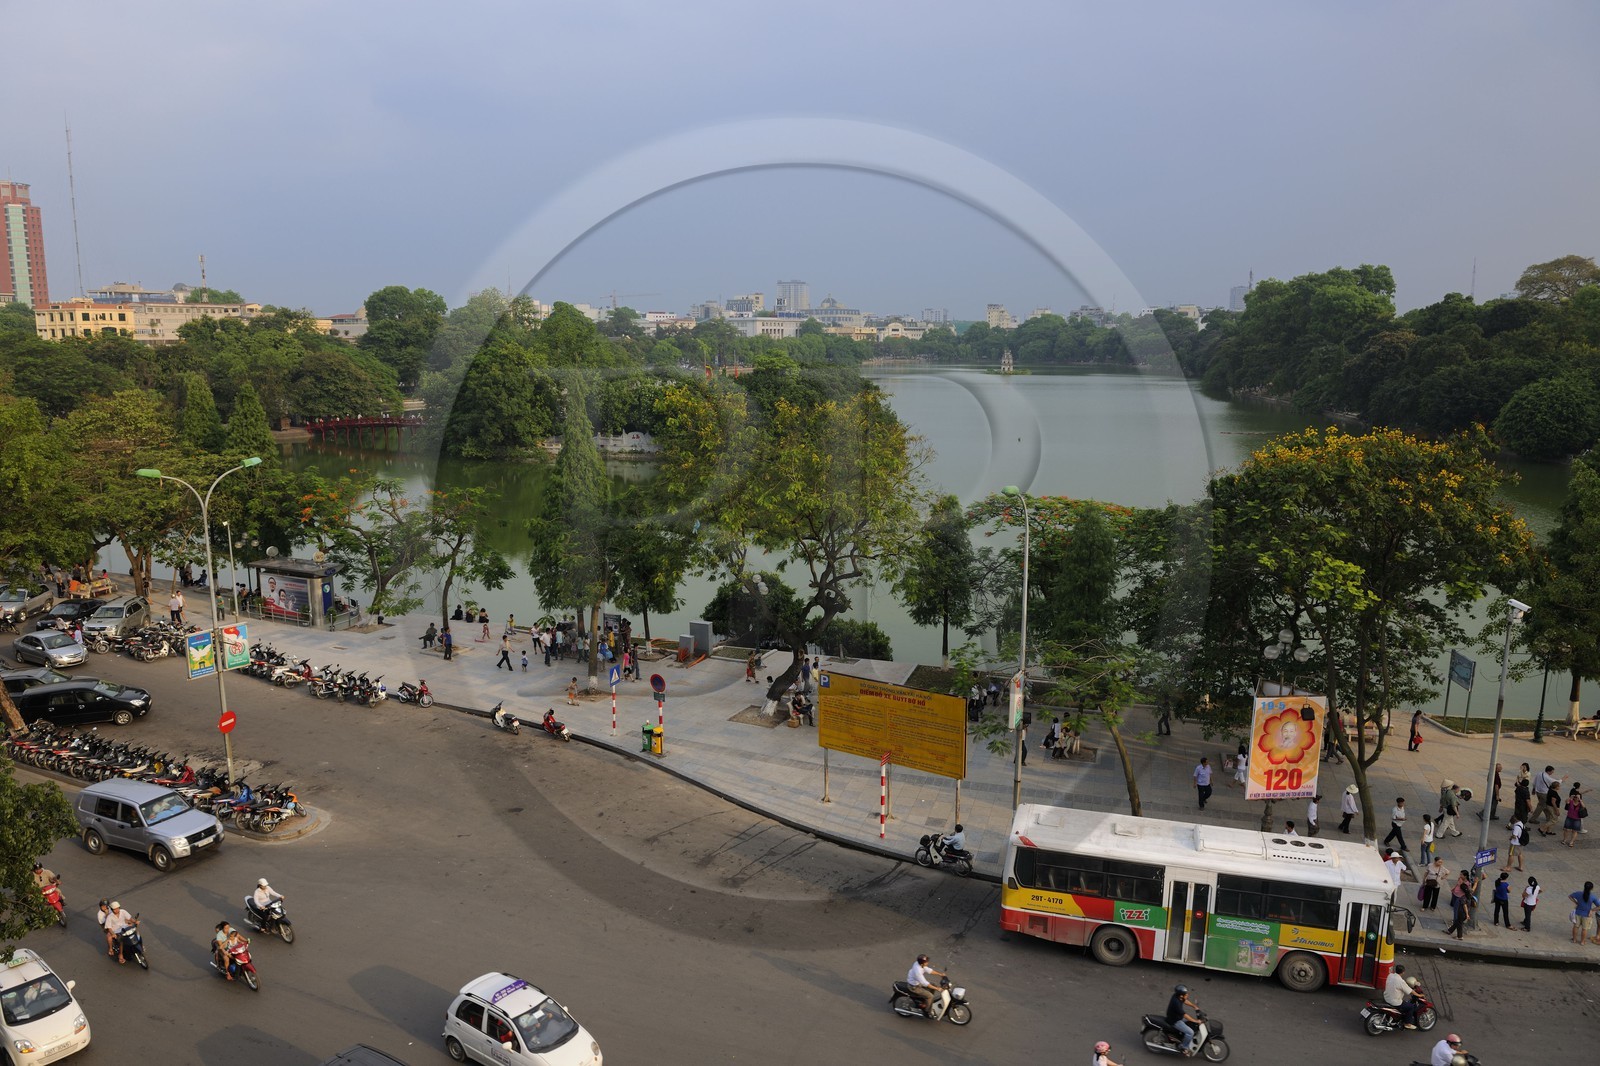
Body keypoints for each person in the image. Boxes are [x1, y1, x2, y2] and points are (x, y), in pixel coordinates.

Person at [1165, 984, 1201, 1056]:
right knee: (1190, 1032)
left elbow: (1185, 1001)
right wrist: (1196, 1021)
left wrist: (1194, 1006)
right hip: (1175, 1021)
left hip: (1177, 1017)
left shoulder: (1178, 996)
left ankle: (1181, 1037)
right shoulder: (1176, 1003)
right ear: (1181, 995)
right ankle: (1183, 1047)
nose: (1187, 995)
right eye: (1186, 994)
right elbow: (1185, 1015)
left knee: (1191, 1024)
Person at [1383, 962, 1420, 1028]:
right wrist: (1419, 995)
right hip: (1395, 1002)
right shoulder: (1401, 981)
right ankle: (1407, 1024)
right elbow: (1411, 991)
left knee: (1405, 1002)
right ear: (1403, 972)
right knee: (1411, 1007)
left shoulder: (1390, 975)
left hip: (1386, 997)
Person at [1443, 871, 1472, 939]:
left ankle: (1460, 936)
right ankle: (1449, 931)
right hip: (1463, 912)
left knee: (1459, 922)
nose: (1460, 875)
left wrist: (1467, 914)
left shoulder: (1463, 898)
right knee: (1458, 921)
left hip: (1462, 912)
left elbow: (1464, 906)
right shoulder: (1468, 897)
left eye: (1461, 874)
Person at [1569, 880, 1598, 945]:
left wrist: (1576, 902)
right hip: (1587, 915)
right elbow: (1599, 906)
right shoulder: (1593, 897)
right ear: (1592, 888)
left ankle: (1574, 940)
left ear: (1584, 887)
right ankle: (1582, 942)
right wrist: (1592, 910)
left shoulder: (1578, 893)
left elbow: (1570, 896)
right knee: (1584, 929)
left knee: (1576, 927)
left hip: (1578, 913)